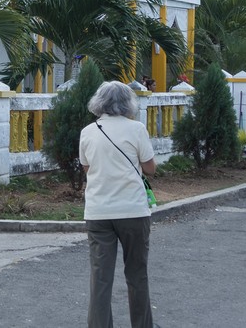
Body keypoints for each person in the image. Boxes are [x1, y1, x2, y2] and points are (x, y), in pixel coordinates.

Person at [79, 81, 156, 328]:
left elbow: (87, 168)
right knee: (136, 275)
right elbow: (150, 168)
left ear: (99, 102)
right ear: (128, 103)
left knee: (100, 278)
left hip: (98, 212)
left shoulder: (88, 132)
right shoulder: (136, 129)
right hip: (133, 211)